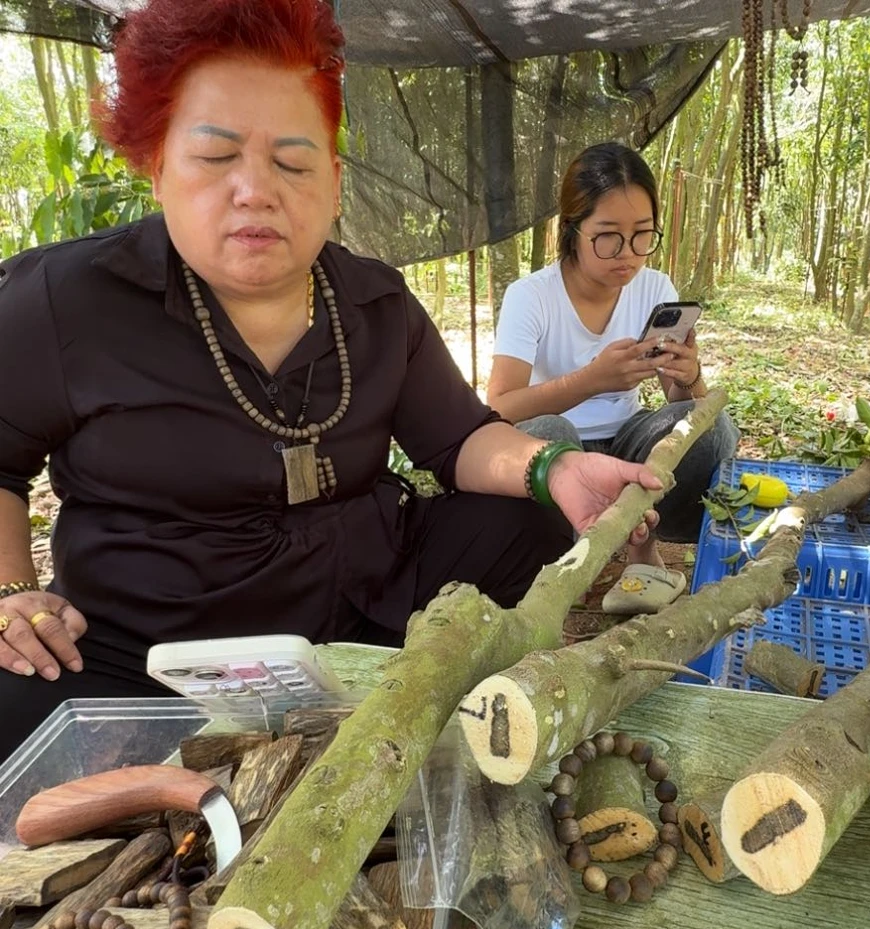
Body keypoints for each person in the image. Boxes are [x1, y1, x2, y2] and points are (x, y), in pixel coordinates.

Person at [0, 0, 663, 763]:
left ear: (334, 180)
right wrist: (15, 597)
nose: (256, 190)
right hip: (149, 651)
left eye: (292, 160)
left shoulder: (375, 304)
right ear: (157, 166)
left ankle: (392, 698)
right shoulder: (62, 299)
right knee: (14, 698)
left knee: (528, 519)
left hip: (365, 611)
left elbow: (459, 437)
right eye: (216, 156)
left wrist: (554, 465)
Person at [489, 142, 738, 573]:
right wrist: (590, 380)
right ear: (573, 229)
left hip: (629, 443)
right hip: (560, 448)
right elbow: (499, 408)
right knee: (549, 431)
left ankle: (643, 533)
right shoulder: (530, 297)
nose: (628, 253)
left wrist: (689, 375)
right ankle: (572, 543)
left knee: (713, 428)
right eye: (608, 236)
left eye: (643, 234)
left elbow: (681, 405)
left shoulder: (655, 288)